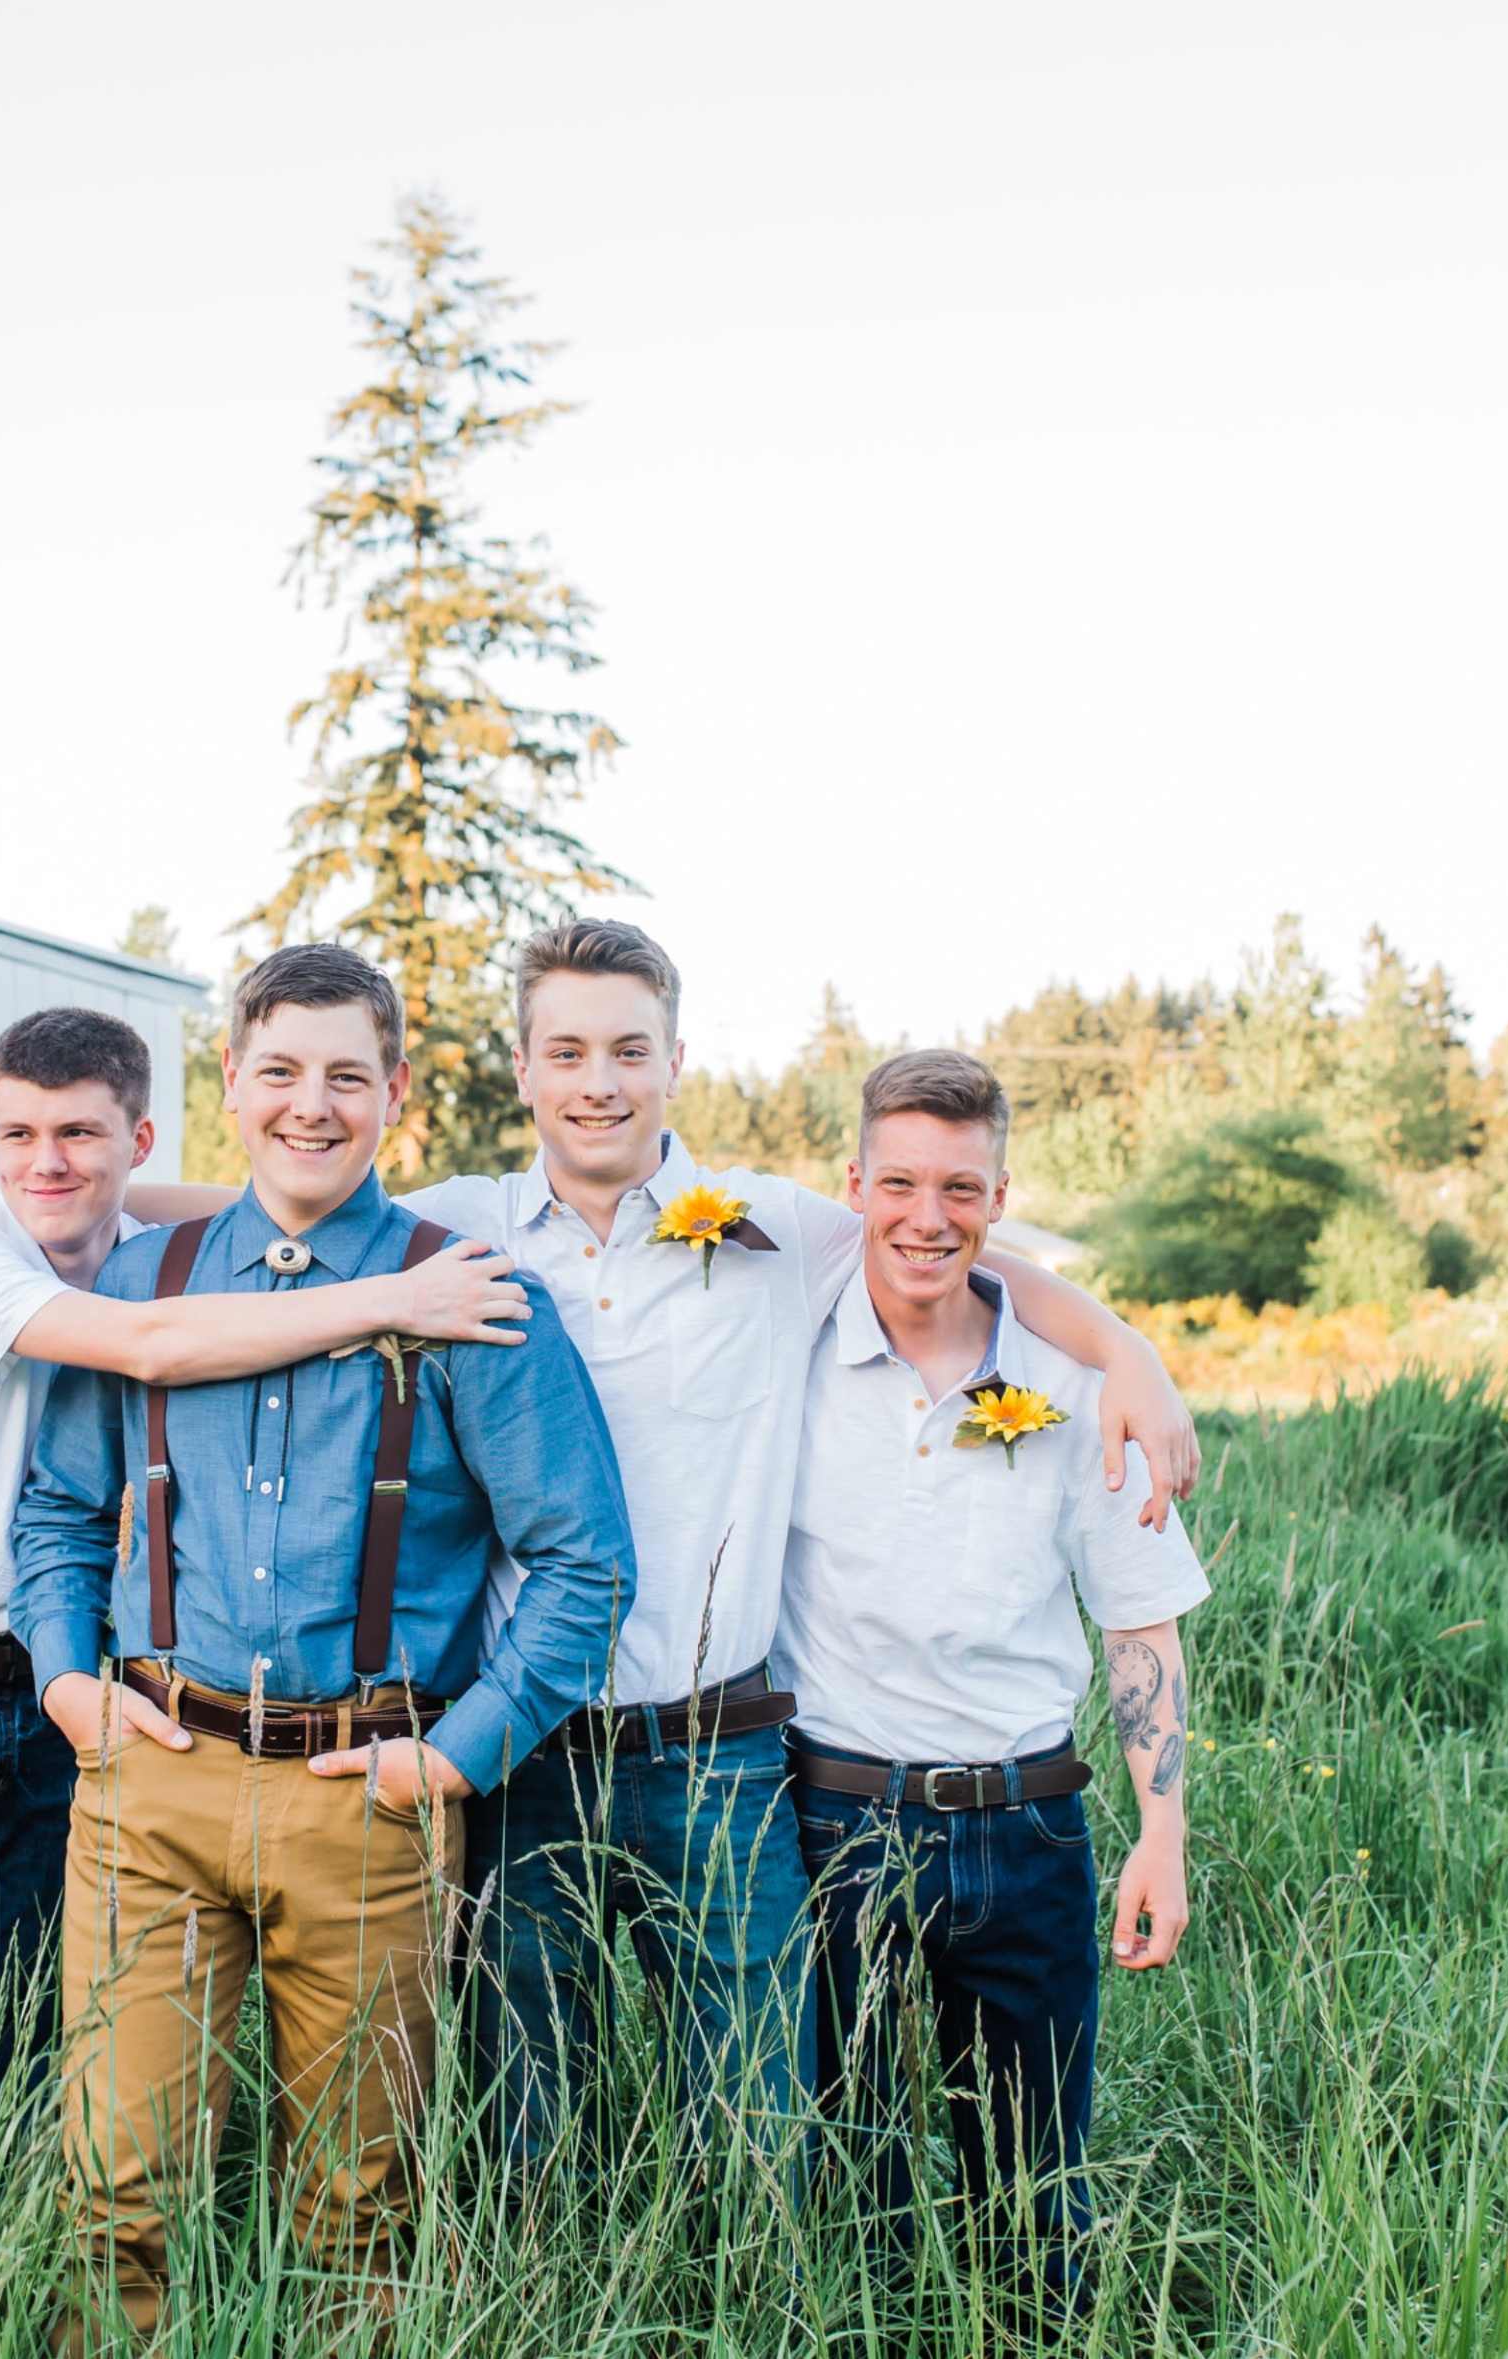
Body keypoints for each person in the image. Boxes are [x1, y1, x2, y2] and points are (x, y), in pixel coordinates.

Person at [391, 920, 1204, 2179]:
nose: (597, 1081)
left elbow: (947, 1241)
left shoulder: (772, 1231)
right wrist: (89, 1218)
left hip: (724, 1754)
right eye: (566, 1051)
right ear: (522, 1068)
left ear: (676, 1061)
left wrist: (1124, 1353)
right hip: (527, 1748)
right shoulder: (461, 1230)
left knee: (770, 2135)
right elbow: (293, 1221)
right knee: (521, 2117)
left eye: (627, 1050)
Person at [0, 1004, 533, 2332]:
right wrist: (404, 1297)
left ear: (141, 1133)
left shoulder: (144, 1248)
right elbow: (155, 1352)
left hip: (58, 1708)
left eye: (79, 1133)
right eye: (18, 1133)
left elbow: (258, 1195)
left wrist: (301, 1184)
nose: (45, 1162)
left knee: (35, 2080)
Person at [9, 945, 634, 2344]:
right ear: (230, 1080)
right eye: (280, 1069)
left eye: (347, 1074)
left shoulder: (471, 1297)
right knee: (117, 2180)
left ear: (395, 1092)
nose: (312, 1103)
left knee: (361, 2195)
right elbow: (58, 1504)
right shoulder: (143, 1280)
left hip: (368, 1792)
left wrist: (459, 1754)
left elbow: (586, 1560)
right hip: (149, 1779)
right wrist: (67, 1682)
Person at [778, 1048, 1208, 2309]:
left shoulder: (1080, 1390)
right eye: (901, 1183)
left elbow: (1138, 1627)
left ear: (1000, 1197)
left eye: (960, 1189)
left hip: (1023, 1823)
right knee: (843, 2173)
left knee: (1030, 2189)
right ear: (853, 1184)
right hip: (826, 1817)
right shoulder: (788, 1339)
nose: (928, 1217)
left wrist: (1163, 1833)